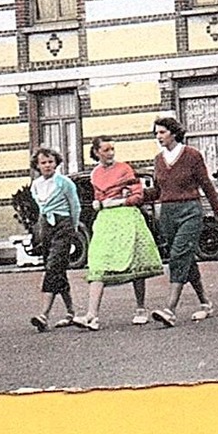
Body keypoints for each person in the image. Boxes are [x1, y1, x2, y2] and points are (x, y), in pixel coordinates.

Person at [144, 117, 218, 327]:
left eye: (162, 132)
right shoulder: (158, 159)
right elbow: (159, 190)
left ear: (173, 133)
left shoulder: (191, 155)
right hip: (168, 213)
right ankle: (206, 303)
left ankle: (170, 309)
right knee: (185, 258)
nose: (158, 137)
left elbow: (205, 183)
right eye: (156, 133)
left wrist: (217, 209)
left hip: (190, 210)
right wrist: (136, 195)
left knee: (178, 255)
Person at [74, 137, 162, 331]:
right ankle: (91, 315)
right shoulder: (95, 173)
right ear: (96, 152)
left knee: (134, 261)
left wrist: (119, 201)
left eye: (112, 149)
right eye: (106, 150)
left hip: (127, 217)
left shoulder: (124, 169)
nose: (111, 153)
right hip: (106, 220)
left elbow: (137, 195)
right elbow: (99, 196)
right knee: (98, 262)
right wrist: (98, 203)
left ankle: (141, 309)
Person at [29, 147, 81, 331]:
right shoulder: (35, 185)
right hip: (46, 227)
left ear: (56, 163)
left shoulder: (65, 182)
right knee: (57, 270)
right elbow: (41, 208)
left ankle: (44, 315)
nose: (47, 165)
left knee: (53, 267)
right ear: (37, 165)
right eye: (43, 162)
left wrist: (73, 229)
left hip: (63, 225)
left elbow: (75, 206)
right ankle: (71, 312)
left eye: (50, 161)